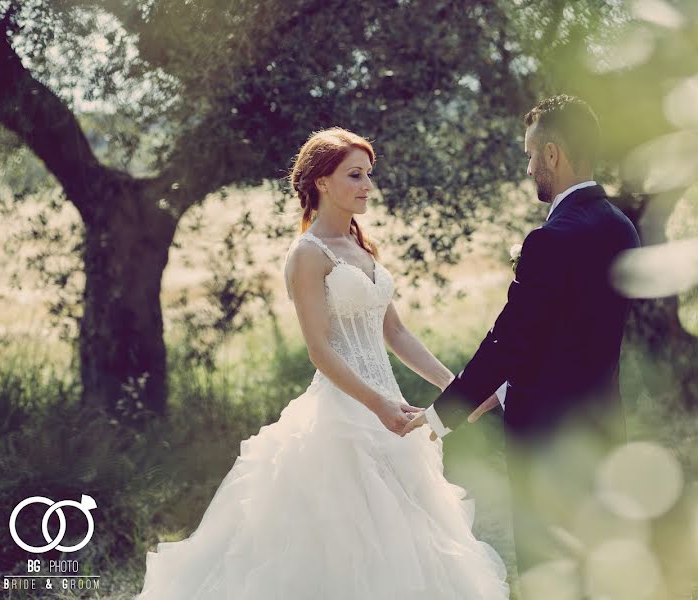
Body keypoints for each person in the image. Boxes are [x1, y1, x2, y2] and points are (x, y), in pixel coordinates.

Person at [136, 128, 508, 599]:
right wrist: (376, 405)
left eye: (368, 175)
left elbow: (395, 333)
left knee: (408, 542)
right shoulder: (308, 255)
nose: (367, 186)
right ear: (321, 182)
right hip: (345, 415)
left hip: (392, 413)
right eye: (354, 175)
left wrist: (458, 387)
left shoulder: (364, 248)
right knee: (342, 548)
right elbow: (320, 349)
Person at [403, 95, 641, 593]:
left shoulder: (552, 239)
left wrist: (442, 416)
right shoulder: (622, 229)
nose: (529, 166)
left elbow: (510, 340)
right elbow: (574, 336)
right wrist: (501, 391)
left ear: (553, 154)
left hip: (546, 437)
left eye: (531, 154)